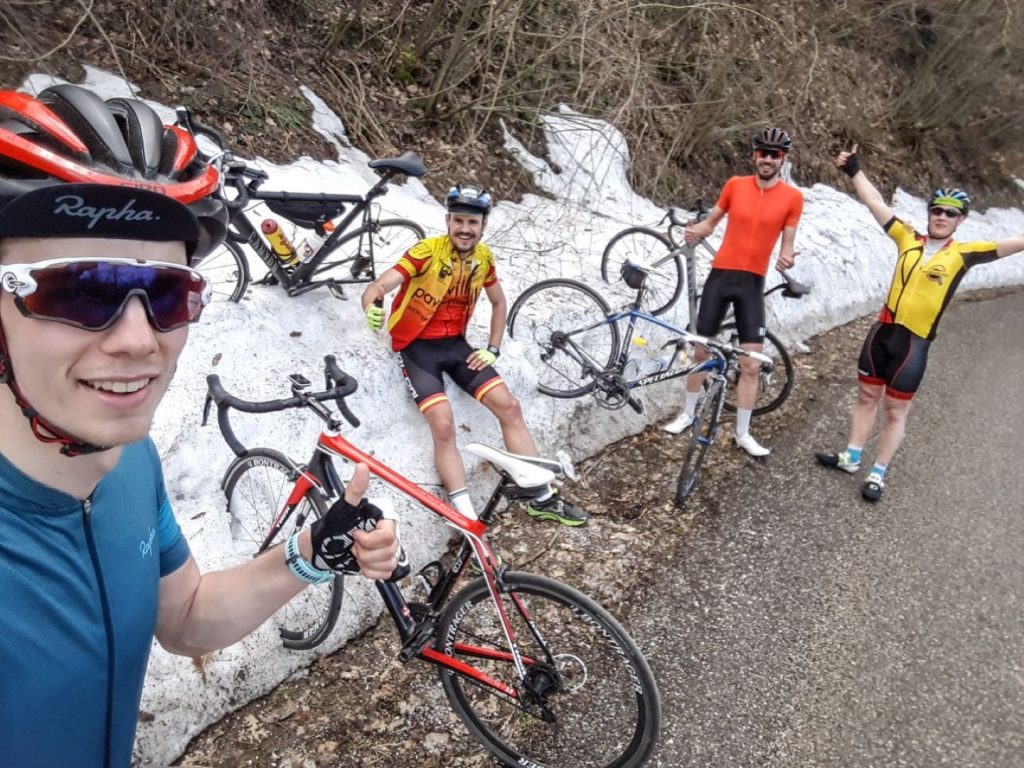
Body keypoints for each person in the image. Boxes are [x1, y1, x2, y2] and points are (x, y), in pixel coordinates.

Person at [0, 84, 400, 767]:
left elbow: (184, 618)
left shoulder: (131, 464)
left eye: (166, 294)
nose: (136, 339)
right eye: (78, 290)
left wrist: (311, 553)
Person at [361, 183, 587, 525]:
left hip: (456, 344)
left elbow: (499, 302)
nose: (465, 229)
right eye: (459, 221)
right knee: (444, 424)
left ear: (483, 226)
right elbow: (380, 285)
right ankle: (462, 511)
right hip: (416, 347)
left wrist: (493, 348)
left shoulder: (483, 259)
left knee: (509, 406)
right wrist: (371, 306)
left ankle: (541, 497)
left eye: (473, 223)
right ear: (448, 221)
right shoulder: (426, 251)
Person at [815, 144, 1024, 501]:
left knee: (895, 410)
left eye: (950, 213)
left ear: (961, 220)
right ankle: (851, 456)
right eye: (937, 211)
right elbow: (875, 203)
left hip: (914, 344)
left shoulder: (964, 254)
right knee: (866, 395)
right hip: (882, 331)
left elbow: (1014, 243)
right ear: (929, 213)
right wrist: (854, 171)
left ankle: (878, 474)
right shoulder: (907, 237)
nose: (941, 217)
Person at [663, 127, 805, 456]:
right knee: (700, 351)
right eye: (763, 152)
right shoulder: (734, 185)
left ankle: (743, 433)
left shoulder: (792, 198)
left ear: (782, 160)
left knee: (751, 363)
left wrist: (786, 255)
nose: (768, 158)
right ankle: (687, 413)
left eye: (775, 154)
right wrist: (694, 230)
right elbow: (711, 223)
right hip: (721, 276)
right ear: (754, 155)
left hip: (751, 284)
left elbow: (788, 240)